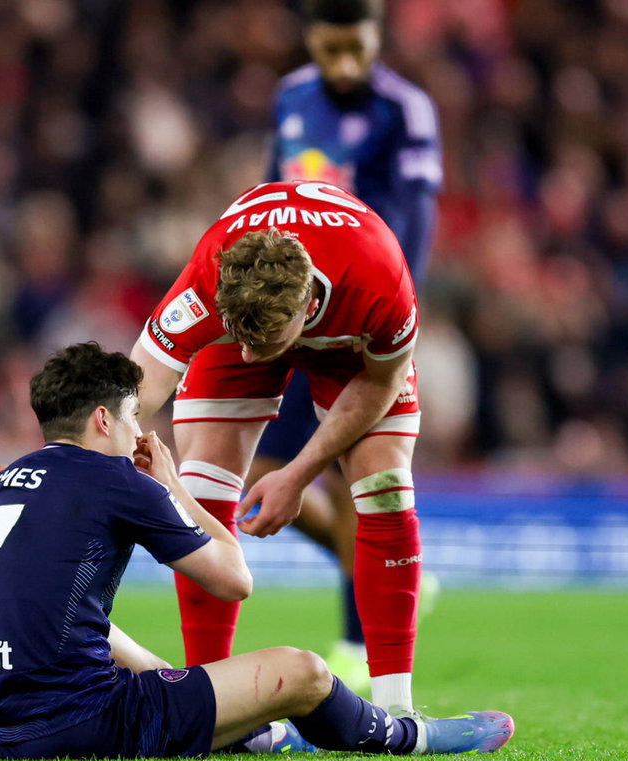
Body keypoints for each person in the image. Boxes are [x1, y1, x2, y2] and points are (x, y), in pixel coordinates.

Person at [0, 342, 512, 759]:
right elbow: (233, 578)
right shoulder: (117, 480)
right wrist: (172, 487)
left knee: (92, 627)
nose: (139, 434)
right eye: (132, 418)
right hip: (76, 722)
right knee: (302, 672)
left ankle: (250, 734)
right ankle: (406, 735)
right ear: (103, 420)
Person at [128, 179, 428, 718]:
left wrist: (298, 475)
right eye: (240, 338)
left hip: (353, 348)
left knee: (385, 488)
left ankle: (397, 712)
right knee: (199, 485)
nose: (247, 355)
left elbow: (382, 383)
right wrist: (54, 464)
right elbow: (134, 393)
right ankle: (212, 705)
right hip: (254, 313)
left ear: (309, 302)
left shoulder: (381, 281)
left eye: (260, 344)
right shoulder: (207, 280)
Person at [257, 0, 443, 692]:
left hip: (365, 317)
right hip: (293, 315)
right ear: (309, 37)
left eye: (355, 48)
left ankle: (357, 641)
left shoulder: (406, 110)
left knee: (354, 476)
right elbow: (272, 191)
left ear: (377, 38)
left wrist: (397, 318)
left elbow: (416, 226)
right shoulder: (292, 97)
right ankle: (391, 575)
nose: (343, 63)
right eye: (330, 48)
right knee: (263, 470)